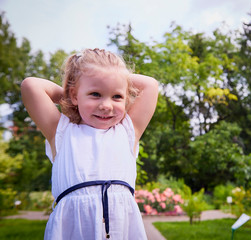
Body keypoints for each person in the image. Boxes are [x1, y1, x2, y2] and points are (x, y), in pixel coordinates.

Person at [21, 48, 158, 240]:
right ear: (75, 95)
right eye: (95, 94)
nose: (106, 105)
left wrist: (108, 79)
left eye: (117, 96)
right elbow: (30, 86)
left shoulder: (128, 130)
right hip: (72, 229)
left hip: (121, 229)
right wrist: (75, 93)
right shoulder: (61, 132)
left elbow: (150, 85)